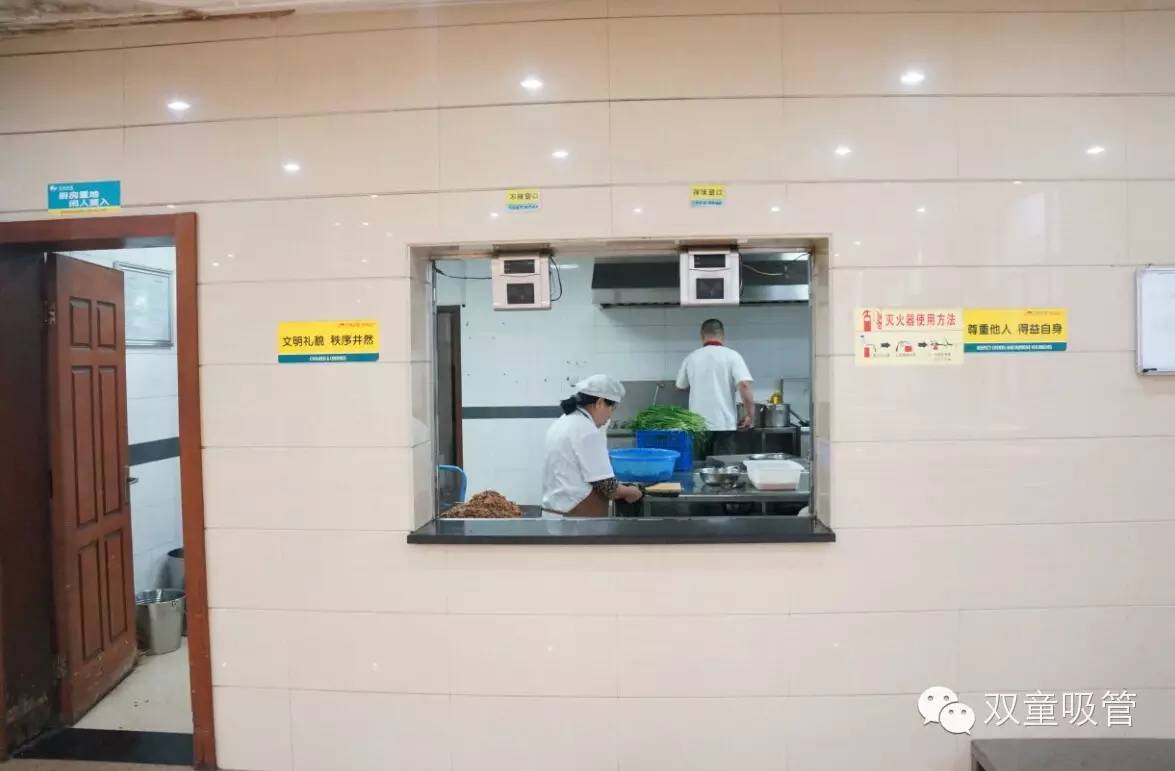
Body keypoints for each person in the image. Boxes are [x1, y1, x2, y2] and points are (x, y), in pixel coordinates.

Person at [541, 375, 643, 518]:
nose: (610, 416)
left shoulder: (562, 422)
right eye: (612, 408)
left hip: (554, 515)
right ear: (599, 403)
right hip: (576, 521)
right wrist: (632, 492)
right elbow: (607, 486)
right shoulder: (586, 430)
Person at [675, 319, 755, 454]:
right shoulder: (732, 356)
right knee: (724, 466)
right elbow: (744, 385)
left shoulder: (692, 357)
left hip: (698, 425)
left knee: (699, 466)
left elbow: (680, 386)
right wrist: (750, 415)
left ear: (702, 335)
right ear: (723, 334)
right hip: (724, 425)